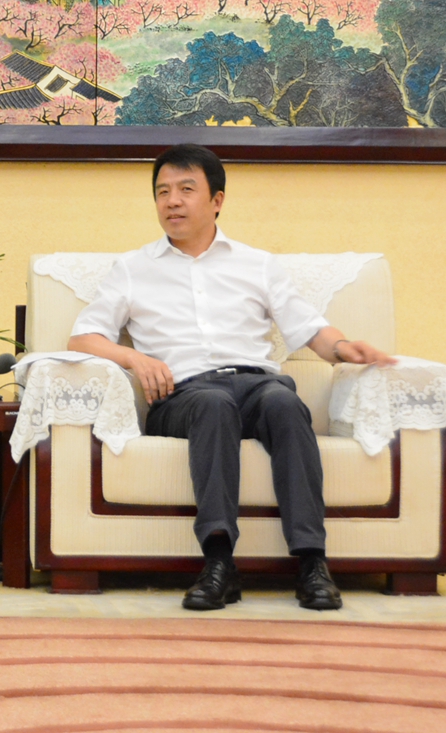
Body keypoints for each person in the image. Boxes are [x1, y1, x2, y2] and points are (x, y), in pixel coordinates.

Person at [67, 144, 393, 612]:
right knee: (213, 405)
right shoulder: (133, 269)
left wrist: (344, 349)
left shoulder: (257, 264)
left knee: (285, 404)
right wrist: (133, 358)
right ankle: (220, 564)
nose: (172, 201)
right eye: (162, 191)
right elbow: (83, 338)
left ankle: (312, 562)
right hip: (184, 395)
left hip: (258, 384)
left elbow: (310, 329)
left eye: (186, 189)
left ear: (217, 200)